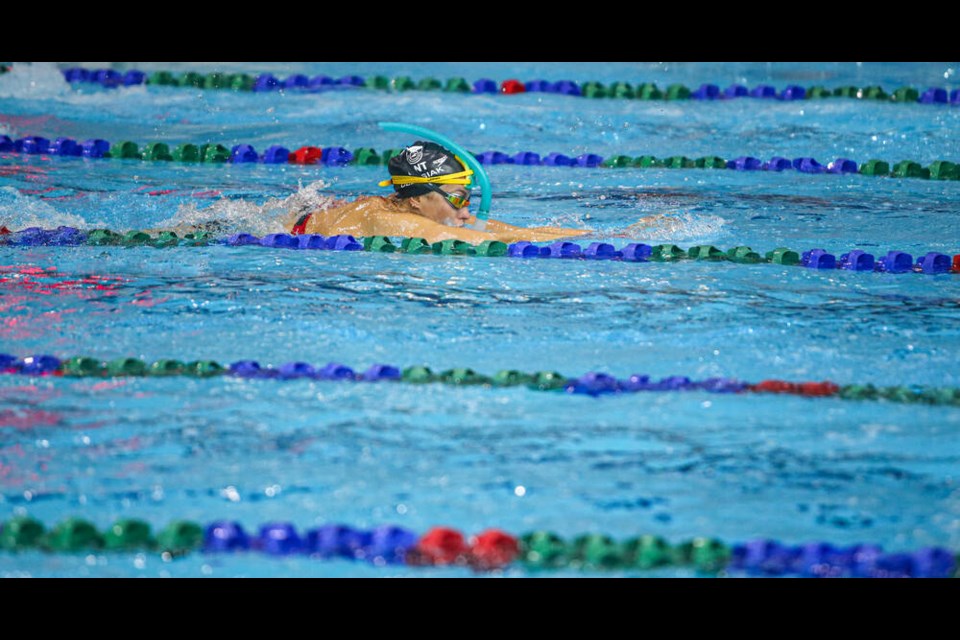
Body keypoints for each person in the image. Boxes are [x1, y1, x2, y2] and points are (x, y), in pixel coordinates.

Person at [282, 141, 591, 245]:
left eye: (467, 200)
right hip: (288, 232)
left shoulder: (422, 210)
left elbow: (524, 234)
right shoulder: (393, 222)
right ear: (416, 198)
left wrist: (606, 236)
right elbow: (473, 238)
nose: (467, 212)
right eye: (457, 199)